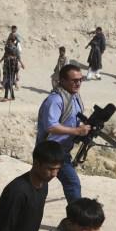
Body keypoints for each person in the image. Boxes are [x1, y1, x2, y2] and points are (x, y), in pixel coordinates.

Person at [36, 64, 89, 203]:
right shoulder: (55, 100)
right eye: (74, 80)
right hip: (49, 151)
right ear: (63, 81)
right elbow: (51, 126)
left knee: (39, 184)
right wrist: (77, 131)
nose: (78, 83)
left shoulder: (75, 97)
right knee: (71, 183)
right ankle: (77, 214)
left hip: (62, 150)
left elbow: (71, 121)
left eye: (81, 79)